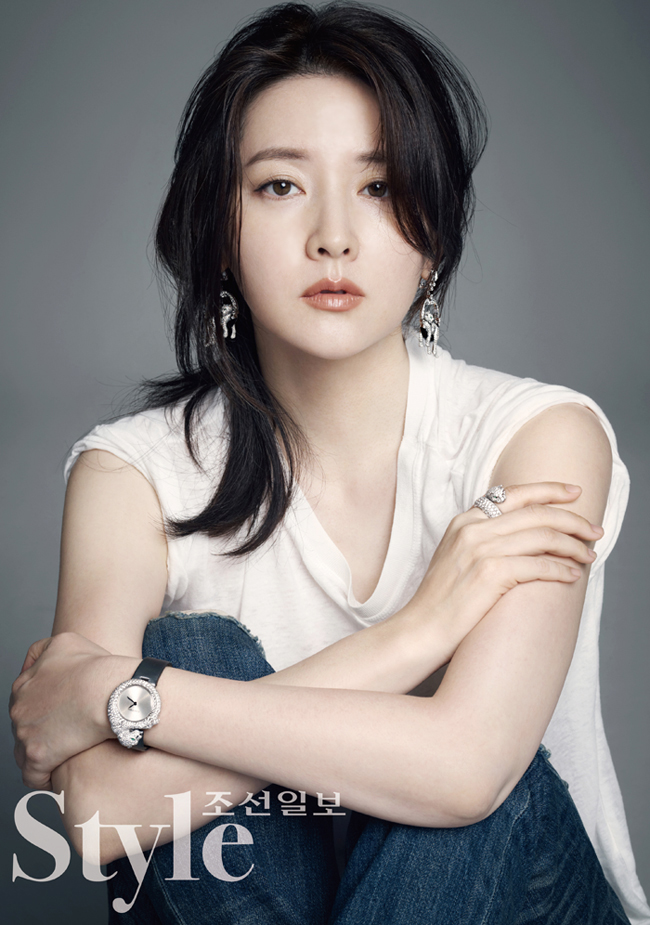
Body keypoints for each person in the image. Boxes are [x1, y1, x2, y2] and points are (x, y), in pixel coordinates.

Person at [9, 2, 649, 923]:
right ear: (218, 227)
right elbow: (98, 809)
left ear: (432, 237)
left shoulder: (535, 436)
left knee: (454, 794)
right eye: (280, 185)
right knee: (195, 653)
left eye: (380, 186)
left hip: (526, 897)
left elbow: (466, 770)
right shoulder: (132, 476)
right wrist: (413, 638)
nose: (334, 235)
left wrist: (122, 695)